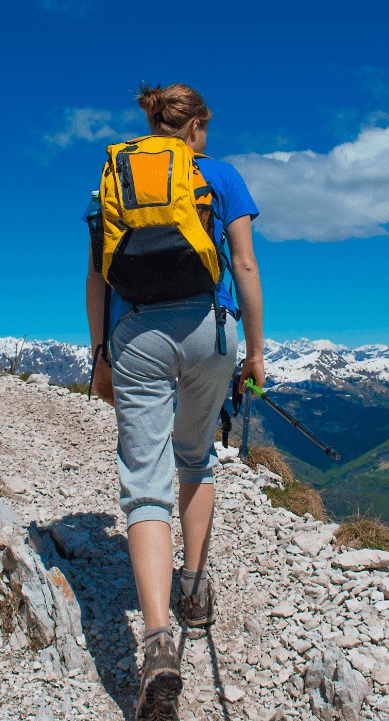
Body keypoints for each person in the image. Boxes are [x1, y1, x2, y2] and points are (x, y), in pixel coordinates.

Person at [85, 82, 265, 720]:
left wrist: (101, 355)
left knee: (143, 482)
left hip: (136, 332)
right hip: (208, 330)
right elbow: (242, 265)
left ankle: (158, 641)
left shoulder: (115, 175)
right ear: (196, 129)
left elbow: (97, 275)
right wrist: (256, 353)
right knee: (195, 456)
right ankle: (194, 588)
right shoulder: (219, 177)